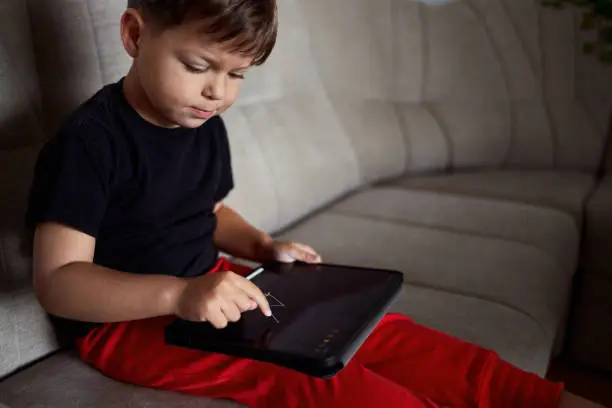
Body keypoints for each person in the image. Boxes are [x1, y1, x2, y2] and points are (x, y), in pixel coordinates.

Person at [25, 1, 605, 407]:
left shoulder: (201, 123)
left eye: (239, 75)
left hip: (210, 285)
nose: (218, 92)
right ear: (133, 34)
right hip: (124, 325)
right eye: (198, 66)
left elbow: (204, 214)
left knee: (380, 331)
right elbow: (59, 281)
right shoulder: (90, 143)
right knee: (311, 378)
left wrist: (262, 247)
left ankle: (541, 398)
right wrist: (179, 294)